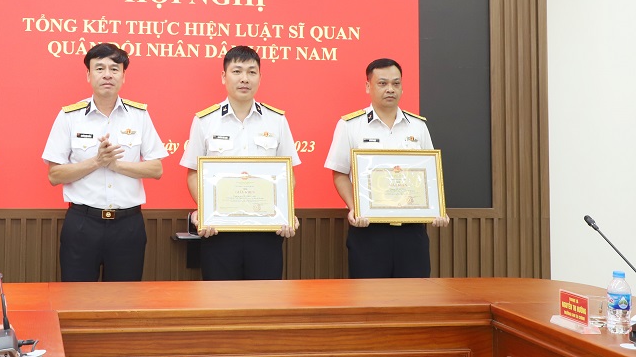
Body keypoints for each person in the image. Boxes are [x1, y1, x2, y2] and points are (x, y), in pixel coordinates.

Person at [42, 43, 168, 281]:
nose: (107, 74)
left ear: (123, 76)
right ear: (88, 75)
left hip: (128, 226)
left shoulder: (139, 116)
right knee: (76, 298)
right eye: (99, 68)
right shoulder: (69, 117)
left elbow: (156, 168)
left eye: (114, 69)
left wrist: (117, 166)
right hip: (82, 224)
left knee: (123, 298)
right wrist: (97, 161)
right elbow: (54, 175)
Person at [180, 45, 300, 280]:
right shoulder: (205, 121)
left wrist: (284, 211)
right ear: (223, 76)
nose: (244, 78)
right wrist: (207, 211)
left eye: (251, 72)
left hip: (265, 230)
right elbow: (193, 173)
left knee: (266, 297)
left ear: (260, 78)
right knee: (219, 298)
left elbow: (288, 174)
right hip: (219, 231)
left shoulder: (276, 120)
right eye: (237, 71)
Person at [324, 58, 449, 278]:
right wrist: (355, 208)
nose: (390, 89)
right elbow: (340, 173)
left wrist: (437, 209)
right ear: (368, 86)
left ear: (402, 87)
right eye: (382, 83)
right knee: (368, 295)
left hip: (412, 231)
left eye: (396, 83)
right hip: (368, 230)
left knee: (414, 294)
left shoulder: (418, 126)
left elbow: (430, 173)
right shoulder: (350, 125)